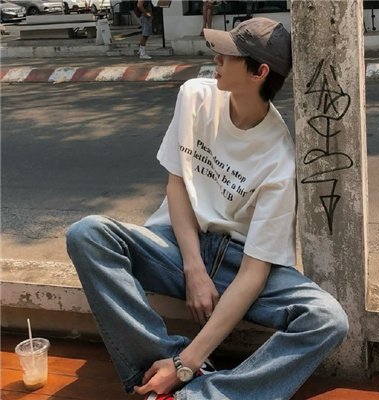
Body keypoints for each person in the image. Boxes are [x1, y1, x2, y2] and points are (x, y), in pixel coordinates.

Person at [66, 17, 349, 400]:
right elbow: (177, 184)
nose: (215, 58)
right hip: (177, 246)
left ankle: (199, 392)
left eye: (228, 55)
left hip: (239, 264)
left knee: (327, 319)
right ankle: (160, 368)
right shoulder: (194, 96)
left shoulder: (279, 160)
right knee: (86, 234)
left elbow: (254, 272)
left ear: (259, 72)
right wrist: (193, 267)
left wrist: (188, 361)